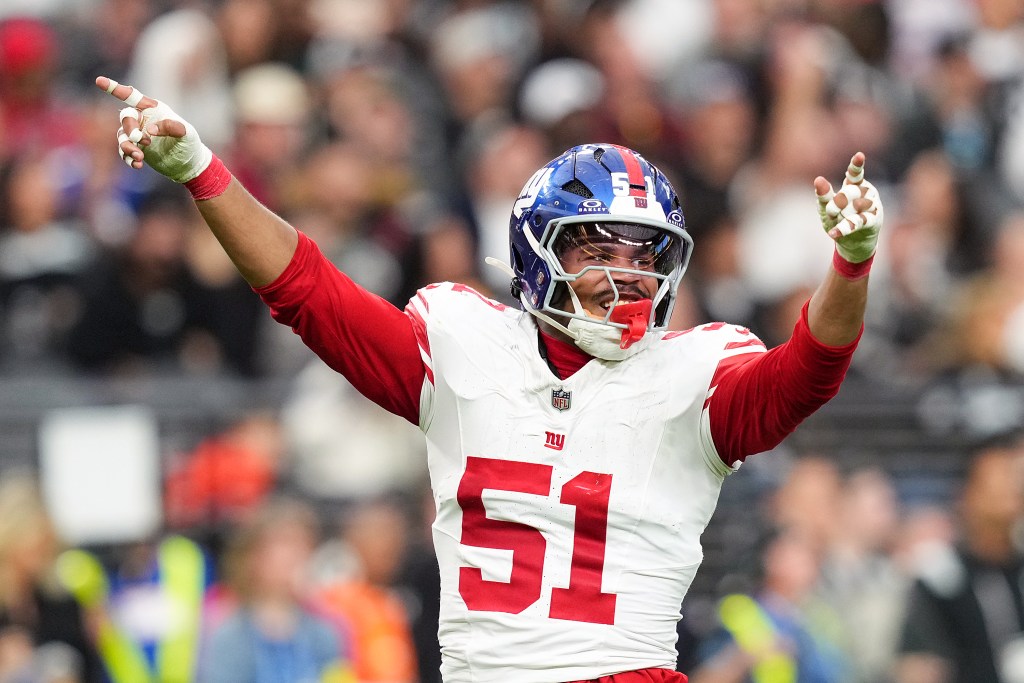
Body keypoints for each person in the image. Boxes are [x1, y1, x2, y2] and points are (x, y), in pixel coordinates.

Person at [93, 71, 883, 683]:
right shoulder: (464, 343)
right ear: (539, 252)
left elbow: (810, 370)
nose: (628, 276)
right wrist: (200, 168)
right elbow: (308, 292)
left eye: (647, 256)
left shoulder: (692, 375)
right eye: (598, 250)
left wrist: (850, 265)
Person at [895, 440, 1024, 683]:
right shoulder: (940, 577)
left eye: (1014, 480)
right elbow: (916, 665)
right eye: (997, 480)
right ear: (968, 494)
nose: (1010, 488)